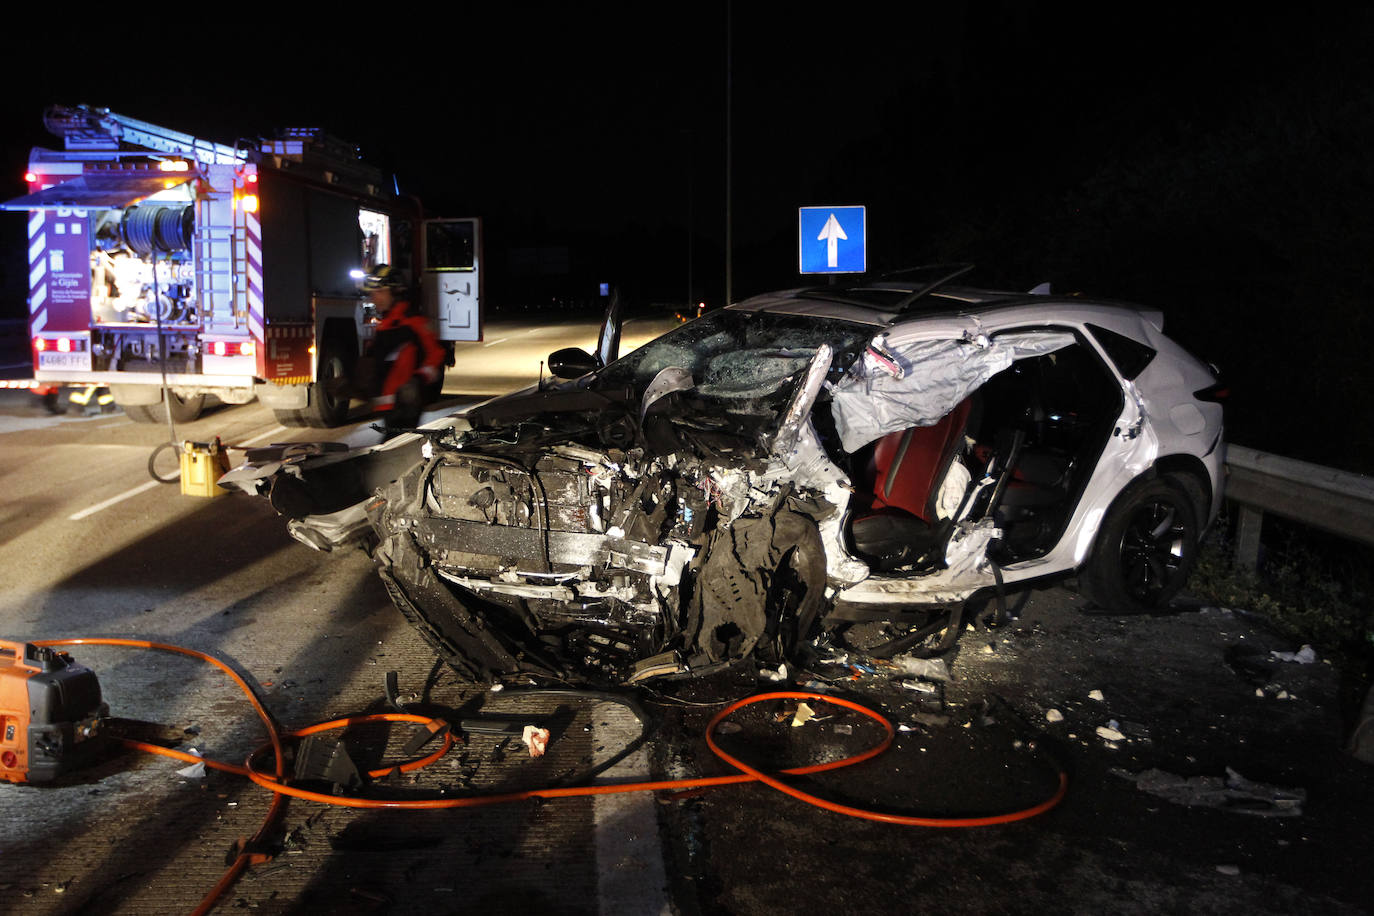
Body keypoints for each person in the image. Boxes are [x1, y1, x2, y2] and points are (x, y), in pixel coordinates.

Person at [362, 264, 445, 436]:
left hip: (406, 408)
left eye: (379, 292)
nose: (374, 298)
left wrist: (418, 379)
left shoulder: (413, 322)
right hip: (387, 409)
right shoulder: (384, 325)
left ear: (395, 292)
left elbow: (436, 355)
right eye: (372, 294)